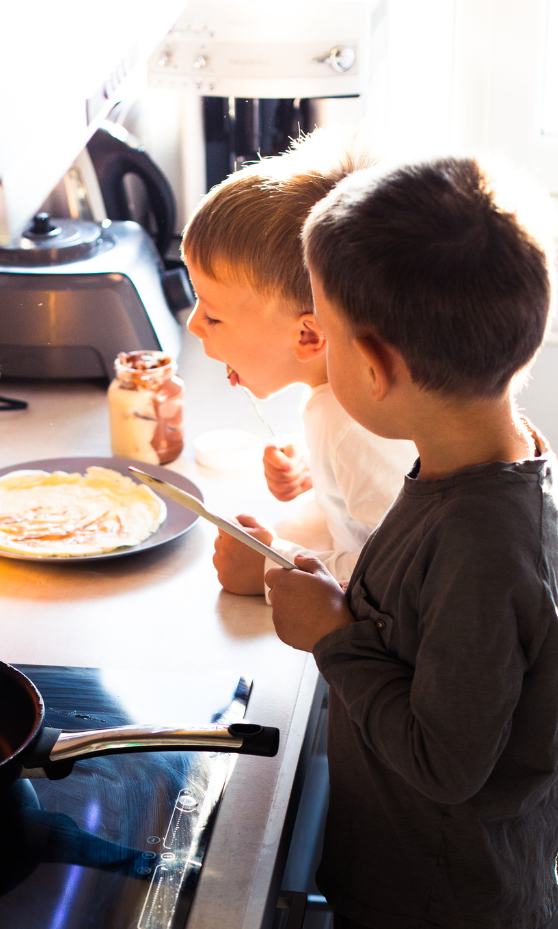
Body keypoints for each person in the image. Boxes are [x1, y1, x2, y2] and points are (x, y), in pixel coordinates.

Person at [266, 155, 558, 929]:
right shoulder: (473, 464)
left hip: (442, 921)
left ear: (371, 364)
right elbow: (427, 629)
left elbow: (447, 762)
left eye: (318, 328)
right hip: (412, 885)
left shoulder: (484, 539)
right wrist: (348, 603)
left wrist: (333, 638)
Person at [181, 131, 417, 594]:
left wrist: (272, 568)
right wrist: (314, 467)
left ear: (309, 335)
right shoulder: (347, 397)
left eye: (212, 314)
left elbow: (401, 579)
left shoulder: (356, 425)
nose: (193, 326)